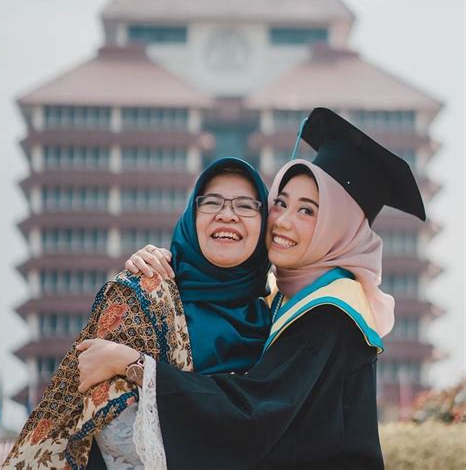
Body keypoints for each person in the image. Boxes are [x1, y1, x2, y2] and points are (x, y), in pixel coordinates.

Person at [76, 107, 426, 469]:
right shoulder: (273, 300)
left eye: (308, 212)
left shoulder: (331, 310)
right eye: (282, 203)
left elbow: (254, 412)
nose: (284, 223)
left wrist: (134, 365)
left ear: (338, 228)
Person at [4, 157, 271, 469]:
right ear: (190, 216)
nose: (227, 215)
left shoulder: (274, 317)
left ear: (265, 222)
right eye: (211, 202)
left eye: (246, 205)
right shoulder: (142, 296)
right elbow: (117, 442)